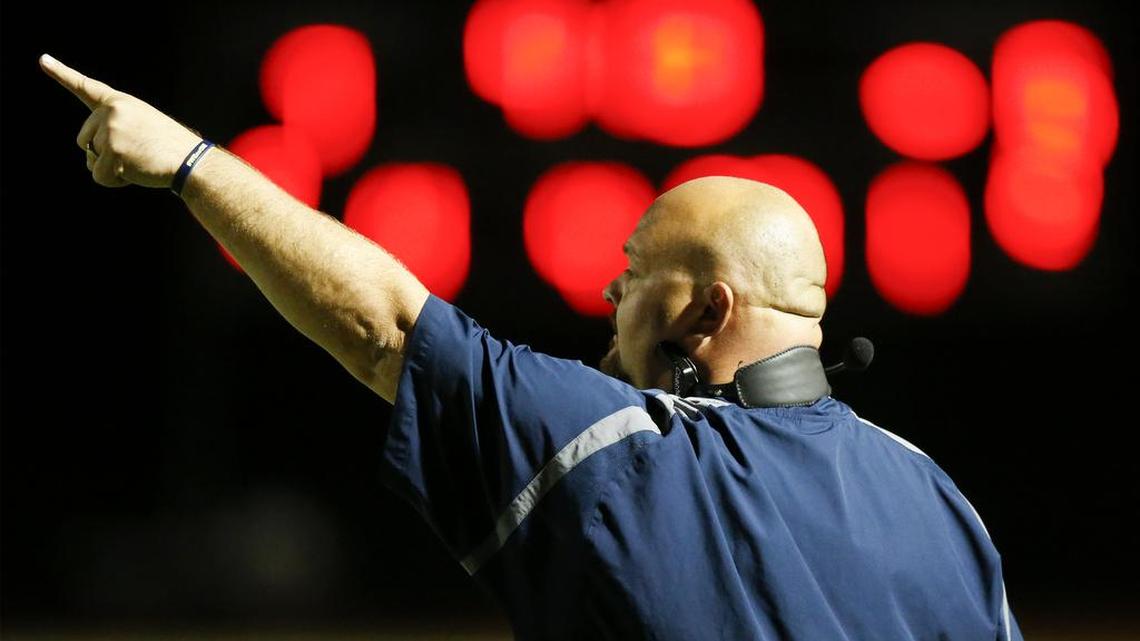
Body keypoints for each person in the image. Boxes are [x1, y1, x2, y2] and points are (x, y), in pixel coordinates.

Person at [41, 53, 1023, 640]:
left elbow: (381, 320)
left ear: (704, 310)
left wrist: (189, 164)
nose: (610, 298)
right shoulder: (938, 496)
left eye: (632, 274)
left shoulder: (619, 448)